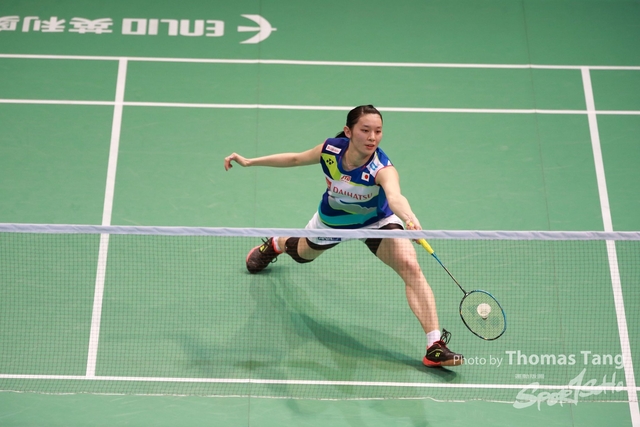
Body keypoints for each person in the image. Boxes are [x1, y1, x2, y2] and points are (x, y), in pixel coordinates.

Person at [224, 105, 463, 367]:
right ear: (348, 131)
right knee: (302, 255)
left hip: (375, 223)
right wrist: (250, 161)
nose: (372, 137)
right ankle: (277, 243)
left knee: (410, 265)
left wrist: (409, 218)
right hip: (333, 223)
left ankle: (434, 346)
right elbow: (295, 159)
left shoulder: (382, 168)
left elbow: (395, 196)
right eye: (365, 130)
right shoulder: (331, 151)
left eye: (378, 131)